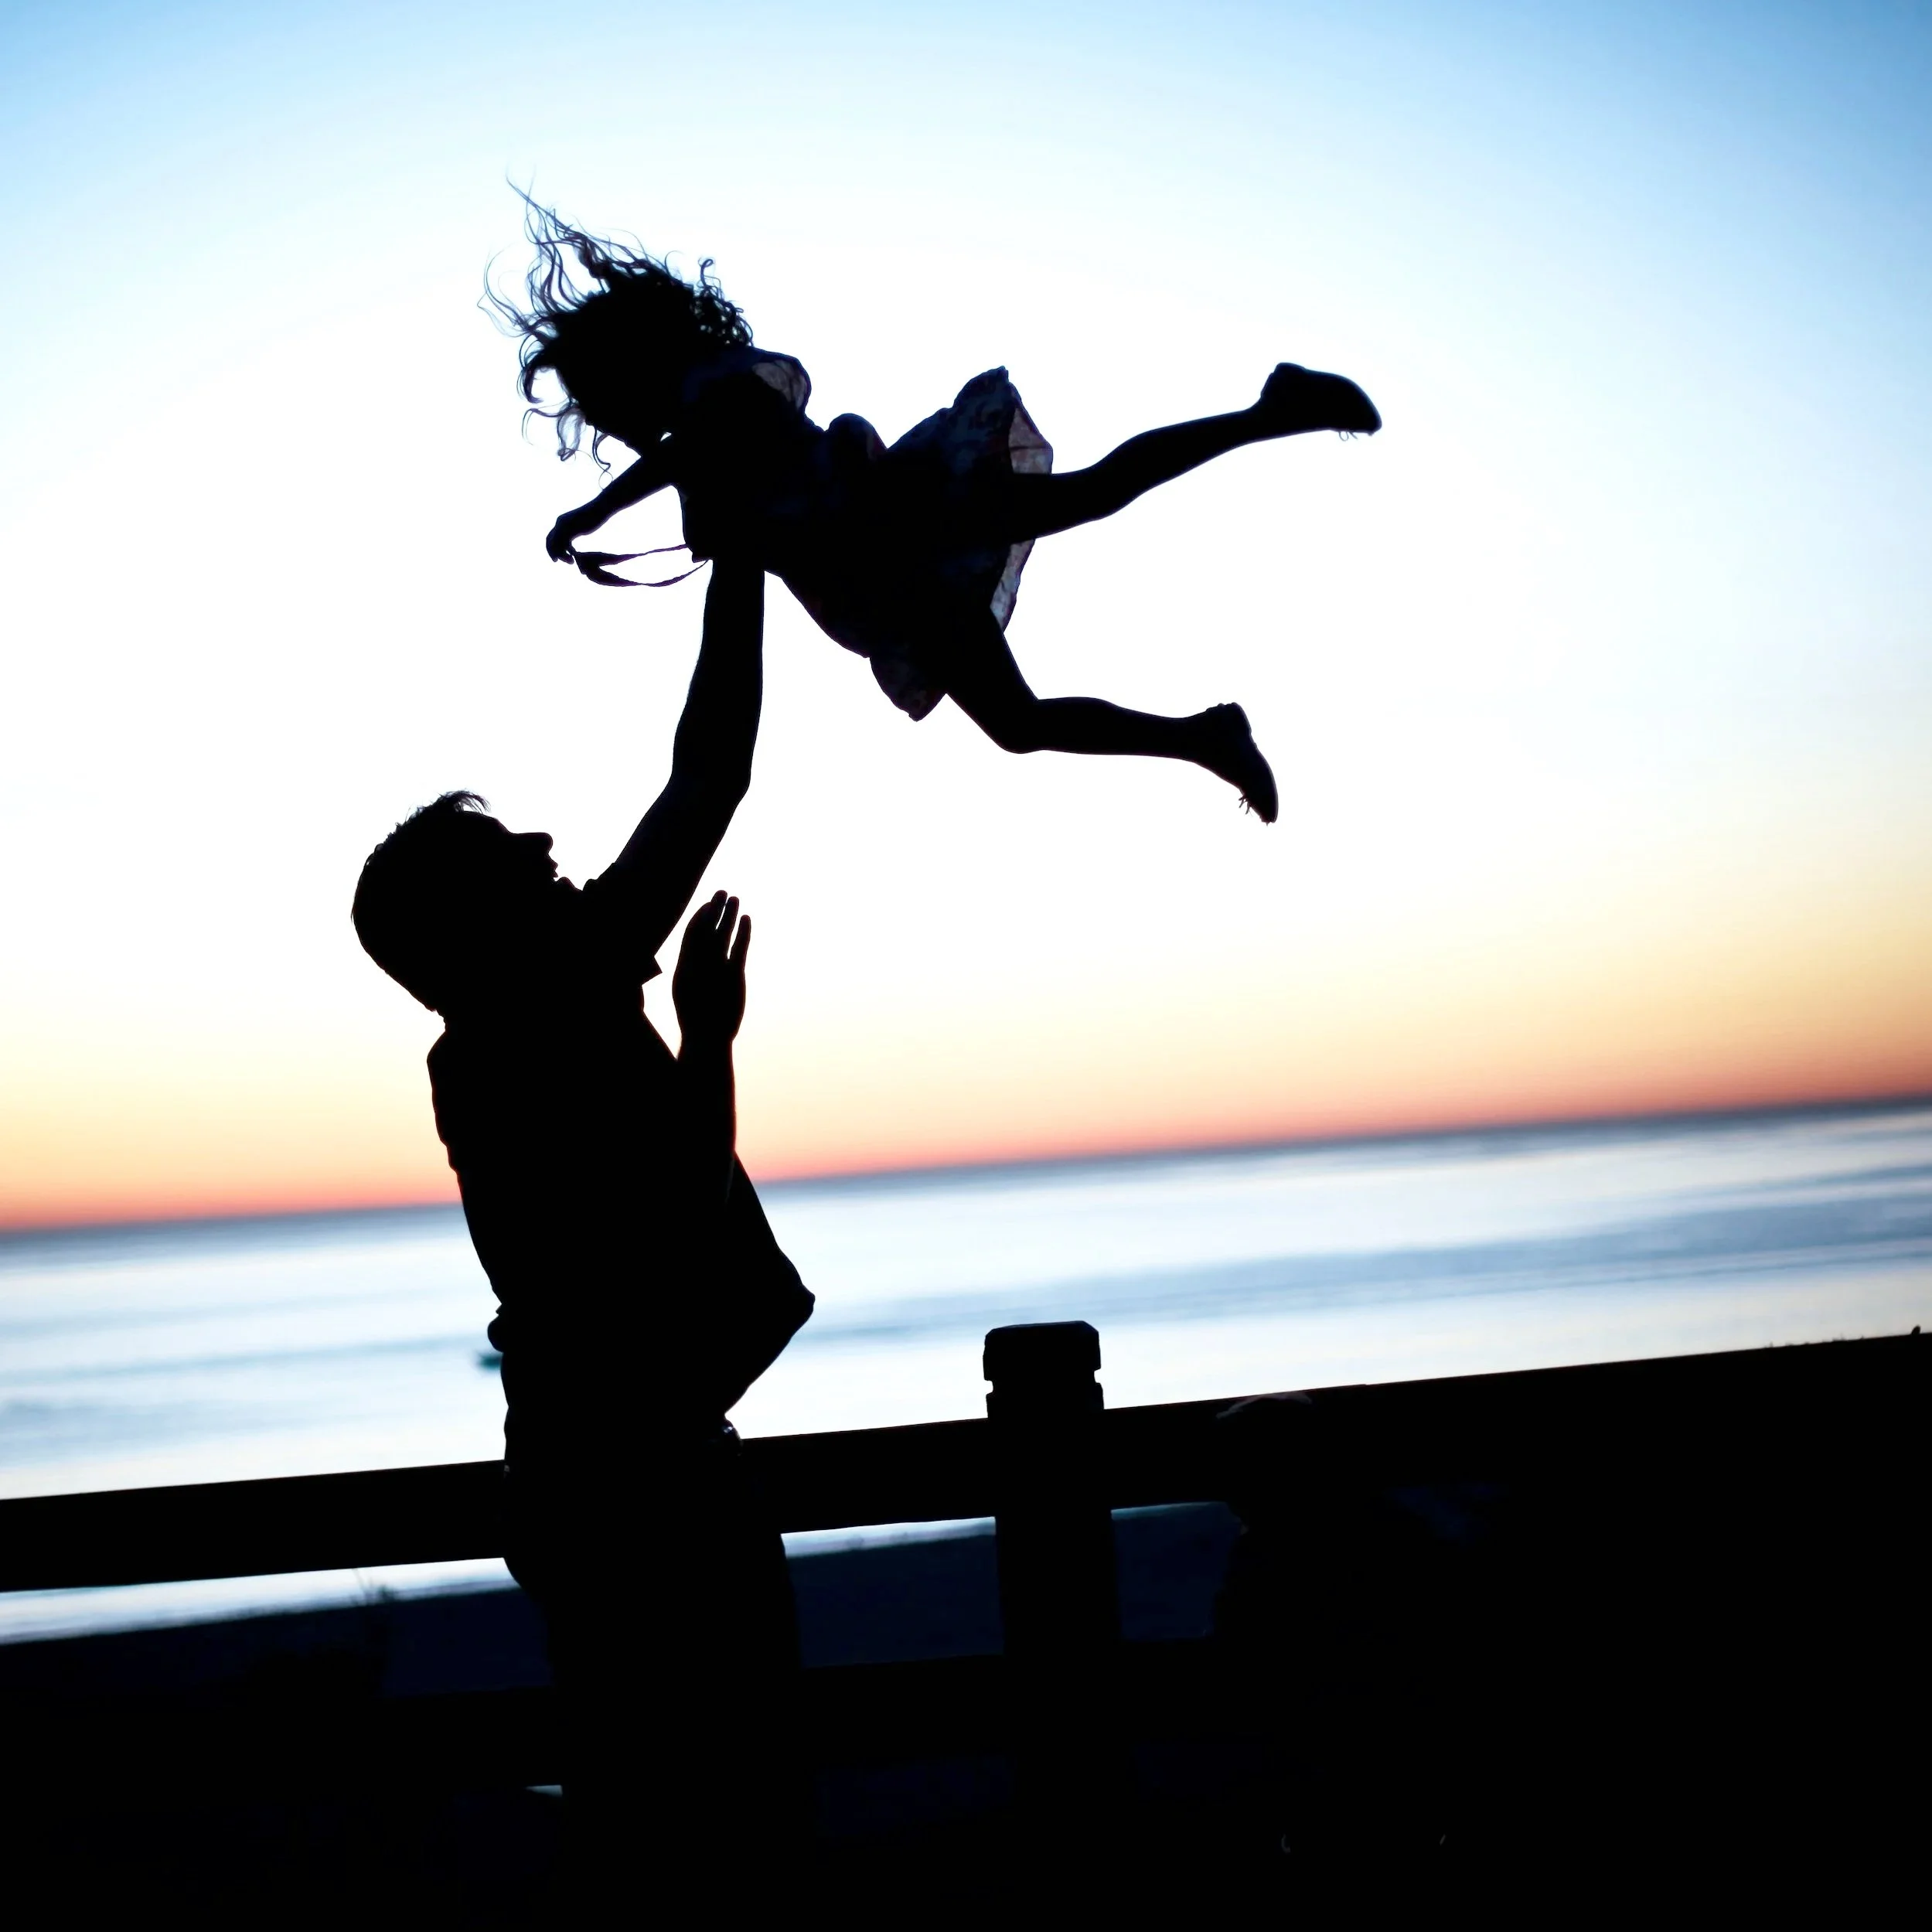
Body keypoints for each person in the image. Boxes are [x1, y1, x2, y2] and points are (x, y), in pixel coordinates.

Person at [350, 560, 812, 1901]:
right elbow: (709, 768)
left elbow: (704, 770)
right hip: (643, 1478)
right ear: (478, 926)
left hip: (580, 1470)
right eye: (515, 857)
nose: (552, 852)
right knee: (725, 1814)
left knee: (646, 1798)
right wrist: (712, 1042)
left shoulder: (488, 1040)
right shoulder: (541, 1006)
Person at [486, 199, 1385, 823]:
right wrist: (616, 520)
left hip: (896, 529)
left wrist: (595, 514)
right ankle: (1204, 736)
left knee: (1092, 506)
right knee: (1022, 722)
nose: (599, 418)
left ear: (622, 368)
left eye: (594, 395)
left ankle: (1273, 411)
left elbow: (699, 463)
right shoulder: (699, 418)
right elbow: (707, 491)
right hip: (889, 574)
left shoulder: (706, 396)